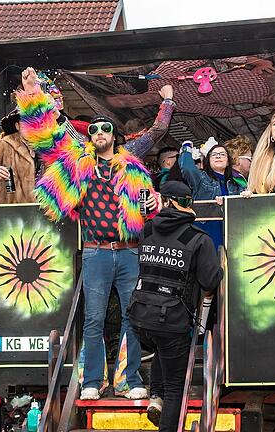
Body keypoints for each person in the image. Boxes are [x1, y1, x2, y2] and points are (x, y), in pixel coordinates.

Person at [16, 67, 175, 400]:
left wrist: (168, 101)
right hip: (96, 251)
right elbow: (47, 136)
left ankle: (129, 381)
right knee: (93, 318)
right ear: (90, 136)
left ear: (114, 137)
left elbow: (158, 132)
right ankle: (92, 381)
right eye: (95, 129)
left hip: (130, 250)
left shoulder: (131, 160)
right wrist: (32, 93)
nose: (100, 132)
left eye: (106, 129)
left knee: (135, 317)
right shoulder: (77, 161)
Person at [127, 181, 223, 432]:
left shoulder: (146, 230)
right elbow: (210, 279)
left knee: (162, 347)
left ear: (165, 201)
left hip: (141, 317)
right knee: (176, 388)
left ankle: (155, 395)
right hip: (171, 319)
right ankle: (164, 408)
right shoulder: (198, 238)